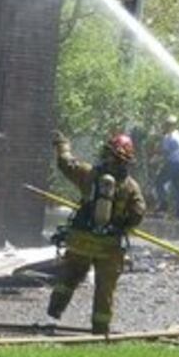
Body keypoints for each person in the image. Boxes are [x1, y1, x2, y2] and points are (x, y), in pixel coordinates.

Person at [47, 130, 146, 334]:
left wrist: (62, 144)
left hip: (81, 241)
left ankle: (55, 308)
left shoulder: (89, 174)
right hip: (109, 248)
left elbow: (66, 163)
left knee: (69, 277)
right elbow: (138, 213)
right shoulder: (131, 187)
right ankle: (100, 330)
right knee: (104, 290)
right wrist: (122, 226)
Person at [154, 115, 179, 219]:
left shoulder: (169, 137)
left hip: (173, 164)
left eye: (167, 125)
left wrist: (156, 157)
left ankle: (163, 205)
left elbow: (167, 152)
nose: (166, 127)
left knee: (159, 182)